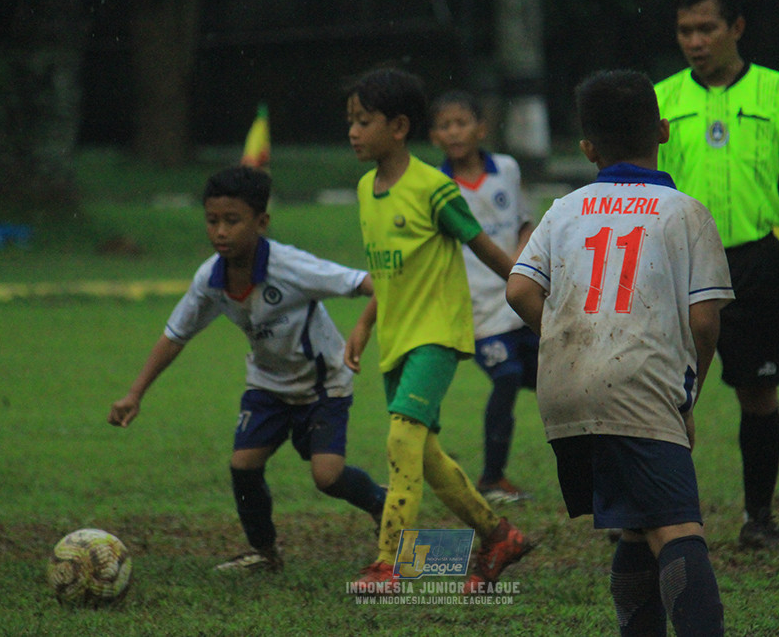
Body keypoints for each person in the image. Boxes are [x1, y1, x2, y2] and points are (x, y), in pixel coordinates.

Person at [507, 69, 730, 636]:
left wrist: (563, 334)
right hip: (640, 385)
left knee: (636, 524)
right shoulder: (685, 213)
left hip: (563, 391)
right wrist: (689, 397)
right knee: (679, 531)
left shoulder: (563, 209)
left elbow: (520, 290)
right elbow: (704, 322)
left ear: (586, 148)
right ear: (662, 130)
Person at [108, 166, 387, 571]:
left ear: (262, 222)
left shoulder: (291, 265)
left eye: (232, 221)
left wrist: (364, 326)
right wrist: (135, 393)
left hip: (323, 383)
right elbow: (175, 335)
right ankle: (265, 552)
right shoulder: (210, 279)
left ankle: (383, 501)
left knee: (327, 477)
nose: (220, 231)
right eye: (212, 220)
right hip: (268, 385)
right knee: (243, 467)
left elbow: (369, 282)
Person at [343, 67, 532, 594]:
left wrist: (535, 295)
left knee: (401, 437)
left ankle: (389, 564)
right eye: (350, 122)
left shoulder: (434, 188)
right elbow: (387, 270)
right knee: (422, 452)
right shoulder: (364, 190)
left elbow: (487, 250)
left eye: (364, 121)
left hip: (439, 334)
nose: (354, 132)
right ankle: (499, 535)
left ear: (399, 126)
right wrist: (362, 325)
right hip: (395, 338)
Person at [654, 0, 779, 548]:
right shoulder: (664, 98)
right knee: (662, 392)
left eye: (707, 28)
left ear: (736, 28)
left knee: (759, 392)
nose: (695, 41)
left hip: (754, 262)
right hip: (679, 263)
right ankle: (653, 514)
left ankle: (759, 518)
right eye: (685, 31)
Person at [429, 90, 537, 504]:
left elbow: (526, 221)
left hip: (522, 300)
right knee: (506, 376)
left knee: (556, 381)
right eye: (444, 125)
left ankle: (592, 467)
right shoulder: (436, 186)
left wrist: (521, 260)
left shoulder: (506, 169)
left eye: (461, 123)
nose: (454, 132)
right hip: (478, 312)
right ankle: (492, 479)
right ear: (434, 136)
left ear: (480, 128)